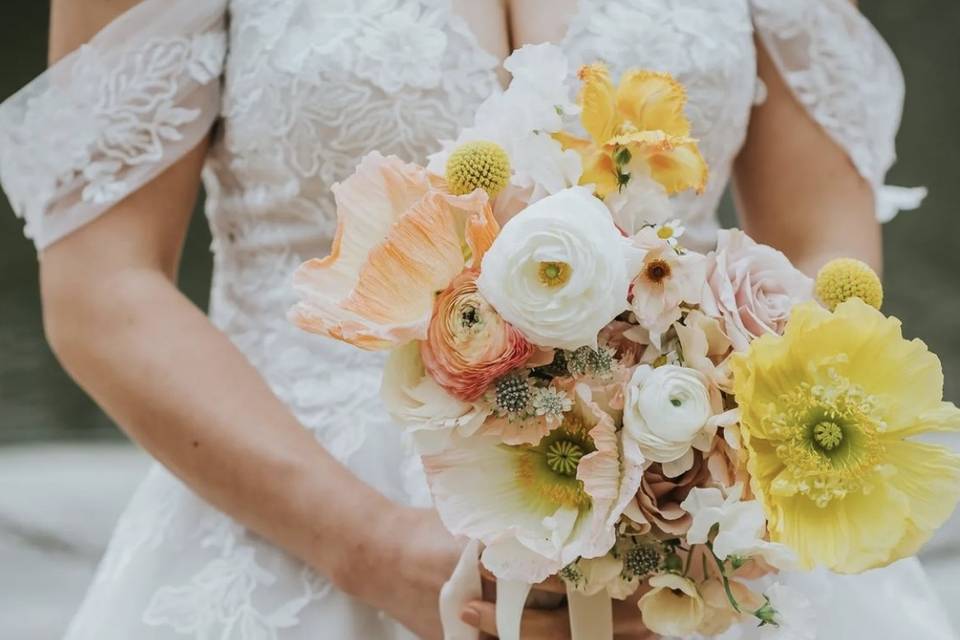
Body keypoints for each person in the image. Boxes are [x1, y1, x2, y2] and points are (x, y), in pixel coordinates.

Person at [0, 0, 951, 638]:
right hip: (296, 518)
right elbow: (102, 283)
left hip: (691, 528)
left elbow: (820, 238)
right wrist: (368, 545)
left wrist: (718, 459)